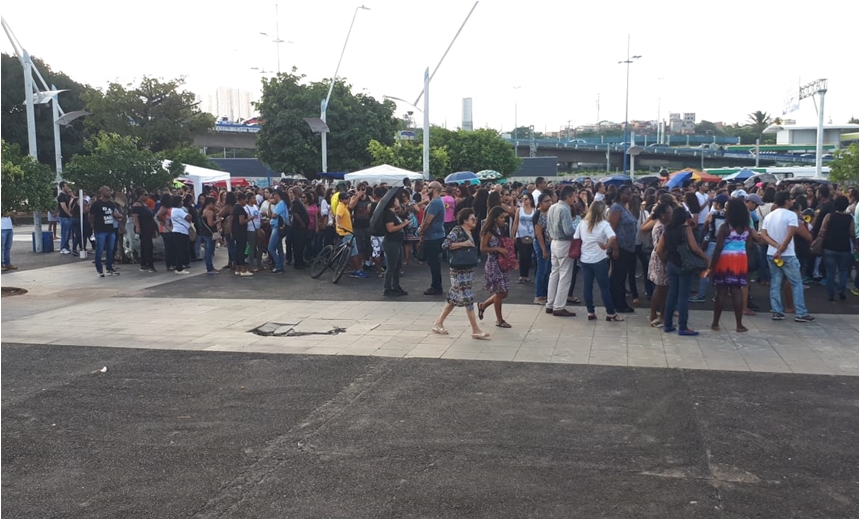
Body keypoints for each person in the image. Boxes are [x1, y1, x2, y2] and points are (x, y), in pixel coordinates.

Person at [433, 208, 489, 339]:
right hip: (459, 271)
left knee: (453, 297)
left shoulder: (469, 232)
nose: (474, 221)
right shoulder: (457, 230)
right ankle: (475, 329)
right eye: (472, 219)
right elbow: (445, 245)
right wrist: (464, 244)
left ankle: (438, 322)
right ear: (465, 220)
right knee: (468, 298)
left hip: (467, 270)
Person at [709, 198, 764, 333]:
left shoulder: (725, 227)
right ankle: (739, 324)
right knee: (737, 290)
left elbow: (718, 247)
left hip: (725, 258)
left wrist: (712, 266)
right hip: (740, 258)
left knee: (721, 291)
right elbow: (749, 245)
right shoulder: (747, 228)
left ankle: (715, 323)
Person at [760, 191, 815, 322]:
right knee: (796, 283)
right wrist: (783, 246)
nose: (791, 201)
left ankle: (777, 311)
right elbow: (790, 233)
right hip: (788, 254)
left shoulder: (769, 216)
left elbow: (764, 234)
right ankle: (801, 313)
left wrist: (776, 246)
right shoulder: (791, 215)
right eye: (790, 199)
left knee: (775, 282)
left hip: (771, 253)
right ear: (786, 201)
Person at [656, 207, 710, 336]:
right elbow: (694, 248)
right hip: (684, 265)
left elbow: (659, 250)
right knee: (683, 296)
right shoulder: (685, 229)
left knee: (671, 294)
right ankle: (683, 326)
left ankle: (668, 324)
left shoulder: (667, 229)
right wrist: (706, 258)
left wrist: (666, 262)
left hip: (671, 264)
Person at [575, 201, 623, 321]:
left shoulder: (582, 223)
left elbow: (576, 237)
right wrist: (607, 246)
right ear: (602, 211)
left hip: (585, 259)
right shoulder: (604, 224)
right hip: (599, 259)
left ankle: (590, 311)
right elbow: (613, 237)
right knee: (604, 287)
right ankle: (610, 312)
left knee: (587, 286)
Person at [544, 185, 577, 317]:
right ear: (568, 196)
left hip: (554, 242)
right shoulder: (565, 209)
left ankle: (550, 303)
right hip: (564, 243)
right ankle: (559, 306)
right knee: (565, 276)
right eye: (574, 196)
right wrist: (578, 232)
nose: (575, 198)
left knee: (554, 273)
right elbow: (568, 230)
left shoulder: (552, 207)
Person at [477, 206, 513, 328]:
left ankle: (483, 305)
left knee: (504, 292)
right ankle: (499, 319)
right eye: (501, 217)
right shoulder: (488, 231)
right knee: (500, 292)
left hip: (501, 263)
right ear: (495, 218)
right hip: (493, 264)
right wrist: (497, 248)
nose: (504, 220)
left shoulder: (501, 229)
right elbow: (482, 248)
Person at [819, 195, 857, 301]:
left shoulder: (829, 216)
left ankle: (830, 294)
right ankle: (841, 290)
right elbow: (852, 234)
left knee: (830, 271)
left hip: (829, 247)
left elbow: (822, 231)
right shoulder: (850, 218)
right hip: (844, 248)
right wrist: (855, 244)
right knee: (843, 271)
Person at [607, 185, 637, 313]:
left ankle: (619, 302)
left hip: (628, 247)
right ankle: (618, 304)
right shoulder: (616, 207)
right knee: (618, 277)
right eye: (628, 194)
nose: (630, 196)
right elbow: (611, 229)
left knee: (621, 276)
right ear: (621, 194)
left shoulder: (624, 207)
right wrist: (615, 248)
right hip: (620, 247)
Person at [645, 203, 673, 327]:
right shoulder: (661, 227)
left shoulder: (662, 225)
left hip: (659, 257)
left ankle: (661, 314)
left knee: (663, 288)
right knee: (661, 287)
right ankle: (654, 315)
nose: (671, 215)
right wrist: (665, 261)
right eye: (669, 213)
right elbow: (659, 248)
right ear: (662, 215)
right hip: (661, 258)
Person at [88, 186, 123, 277]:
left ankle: (109, 268)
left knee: (110, 250)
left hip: (110, 229)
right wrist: (93, 226)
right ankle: (99, 270)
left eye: (109, 190)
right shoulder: (96, 204)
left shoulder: (111, 204)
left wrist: (119, 217)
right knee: (99, 249)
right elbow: (91, 216)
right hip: (100, 230)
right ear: (102, 192)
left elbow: (113, 214)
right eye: (107, 190)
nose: (109, 192)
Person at [418, 181, 446, 295]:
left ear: (434, 189)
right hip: (434, 235)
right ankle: (436, 285)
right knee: (433, 262)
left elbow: (428, 220)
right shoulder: (436, 202)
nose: (426, 189)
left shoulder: (435, 203)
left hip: (434, 236)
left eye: (428, 187)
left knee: (433, 262)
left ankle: (436, 286)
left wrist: (421, 230)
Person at [382, 194, 410, 297]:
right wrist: (403, 224)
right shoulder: (389, 214)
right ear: (393, 202)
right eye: (397, 199)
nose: (398, 201)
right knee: (391, 266)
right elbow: (390, 229)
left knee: (398, 266)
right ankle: (387, 288)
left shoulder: (394, 213)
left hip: (397, 242)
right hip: (391, 242)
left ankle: (396, 286)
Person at [335, 190, 365, 278]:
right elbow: (338, 216)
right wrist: (338, 224)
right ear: (341, 199)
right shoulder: (341, 207)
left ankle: (353, 268)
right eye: (346, 198)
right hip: (346, 232)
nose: (348, 199)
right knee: (354, 252)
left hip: (346, 231)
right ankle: (357, 270)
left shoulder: (344, 206)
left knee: (349, 252)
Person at [533, 192, 553, 305]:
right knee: (542, 270)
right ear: (540, 203)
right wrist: (544, 249)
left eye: (550, 200)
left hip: (549, 243)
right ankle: (539, 295)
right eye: (546, 201)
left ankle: (545, 293)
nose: (549, 203)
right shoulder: (538, 214)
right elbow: (538, 234)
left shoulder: (549, 213)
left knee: (548, 270)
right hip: (542, 244)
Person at [131, 187, 157, 272]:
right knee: (147, 246)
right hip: (144, 228)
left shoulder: (144, 204)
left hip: (148, 227)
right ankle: (149, 265)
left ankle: (144, 264)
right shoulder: (137, 205)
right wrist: (138, 228)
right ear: (140, 196)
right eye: (145, 195)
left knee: (145, 246)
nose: (147, 196)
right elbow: (135, 218)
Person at [512, 193, 535, 283]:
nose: (524, 201)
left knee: (528, 256)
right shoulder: (519, 210)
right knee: (522, 255)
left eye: (526, 199)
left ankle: (527, 274)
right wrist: (513, 234)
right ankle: (522, 275)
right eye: (523, 199)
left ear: (530, 200)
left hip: (531, 235)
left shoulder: (534, 210)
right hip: (520, 235)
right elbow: (516, 222)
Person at [231, 192, 254, 277]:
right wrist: (250, 219)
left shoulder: (235, 208)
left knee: (238, 249)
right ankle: (243, 269)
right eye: (245, 200)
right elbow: (241, 221)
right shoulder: (240, 209)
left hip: (236, 231)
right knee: (241, 249)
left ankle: (238, 268)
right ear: (241, 200)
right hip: (241, 231)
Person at [170, 195, 193, 275]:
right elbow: (188, 217)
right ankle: (179, 268)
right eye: (181, 201)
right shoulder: (179, 210)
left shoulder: (173, 210)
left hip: (178, 231)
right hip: (181, 232)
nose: (182, 203)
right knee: (181, 250)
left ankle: (180, 266)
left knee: (181, 250)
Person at [268, 190, 288, 274]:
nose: (272, 197)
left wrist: (272, 214)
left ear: (277, 195)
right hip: (275, 227)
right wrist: (269, 205)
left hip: (277, 227)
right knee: (279, 247)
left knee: (271, 248)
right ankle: (280, 266)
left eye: (273, 195)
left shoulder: (281, 203)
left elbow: (273, 215)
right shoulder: (278, 204)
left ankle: (278, 265)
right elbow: (270, 215)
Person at [198, 196, 220, 275]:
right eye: (214, 204)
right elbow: (211, 224)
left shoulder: (204, 211)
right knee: (209, 251)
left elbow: (217, 210)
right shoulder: (209, 212)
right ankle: (209, 267)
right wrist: (218, 221)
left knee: (209, 250)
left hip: (205, 232)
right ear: (210, 204)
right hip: (209, 233)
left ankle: (210, 267)